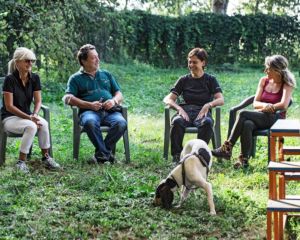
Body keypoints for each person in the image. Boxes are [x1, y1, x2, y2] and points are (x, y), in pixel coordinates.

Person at [212, 55, 296, 168]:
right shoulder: (264, 81)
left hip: (276, 118)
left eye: (268, 68)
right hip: (261, 115)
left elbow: (284, 104)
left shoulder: (287, 83)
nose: (265, 70)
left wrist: (271, 107)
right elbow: (255, 102)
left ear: (277, 70)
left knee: (242, 113)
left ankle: (227, 148)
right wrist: (266, 105)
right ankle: (244, 160)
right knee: (247, 124)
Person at [63, 44, 127, 164]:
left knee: (121, 123)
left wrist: (113, 101)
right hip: (89, 112)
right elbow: (68, 98)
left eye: (97, 57)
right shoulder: (75, 78)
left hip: (110, 111)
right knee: (90, 122)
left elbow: (119, 94)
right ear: (83, 61)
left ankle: (101, 155)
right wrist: (89, 105)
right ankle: (106, 155)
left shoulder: (106, 74)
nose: (98, 60)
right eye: (93, 58)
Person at [1, 47, 60, 173]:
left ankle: (46, 158)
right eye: (27, 61)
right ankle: (21, 162)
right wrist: (30, 118)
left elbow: (38, 101)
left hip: (27, 116)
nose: (30, 64)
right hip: (10, 117)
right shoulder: (10, 79)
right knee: (32, 126)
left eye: (32, 61)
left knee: (43, 123)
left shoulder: (35, 78)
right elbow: (9, 106)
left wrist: (34, 114)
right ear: (17, 62)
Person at [163, 48, 224, 163]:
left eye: (194, 62)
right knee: (177, 122)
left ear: (203, 63)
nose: (191, 65)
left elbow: (221, 99)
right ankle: (177, 157)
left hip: (202, 113)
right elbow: (168, 99)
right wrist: (179, 108)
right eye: (189, 62)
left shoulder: (210, 80)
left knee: (207, 123)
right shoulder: (183, 80)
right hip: (185, 112)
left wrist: (208, 105)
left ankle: (199, 156)